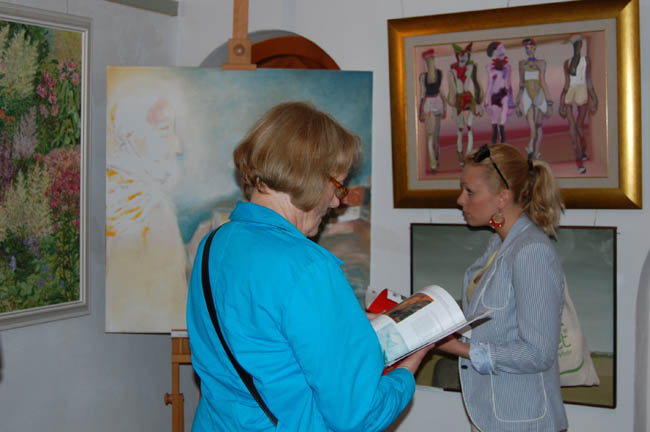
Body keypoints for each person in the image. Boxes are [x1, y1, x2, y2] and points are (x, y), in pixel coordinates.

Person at [186, 101, 431, 431]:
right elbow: (358, 416)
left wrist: (349, 323)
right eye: (337, 186)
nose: (336, 201)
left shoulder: (213, 245)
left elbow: (261, 336)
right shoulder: (308, 266)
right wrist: (408, 369)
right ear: (311, 177)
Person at [437, 143, 568, 431]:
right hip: (495, 418)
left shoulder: (531, 251)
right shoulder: (499, 244)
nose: (460, 200)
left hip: (524, 423)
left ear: (502, 197)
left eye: (470, 191)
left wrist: (457, 348)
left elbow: (538, 353)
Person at [558, 34, 598, 174]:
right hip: (571, 90)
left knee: (579, 126)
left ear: (581, 46)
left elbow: (588, 81)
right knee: (572, 128)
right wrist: (561, 104)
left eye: (578, 44)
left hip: (582, 90)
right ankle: (579, 161)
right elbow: (566, 84)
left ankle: (583, 150)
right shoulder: (567, 63)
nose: (577, 47)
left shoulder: (586, 61)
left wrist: (594, 98)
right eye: (574, 45)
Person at [514, 38, 553, 160]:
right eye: (526, 48)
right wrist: (516, 103)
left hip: (539, 94)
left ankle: (535, 151)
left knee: (538, 126)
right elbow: (521, 84)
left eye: (531, 47)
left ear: (535, 48)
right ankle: (531, 148)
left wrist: (549, 102)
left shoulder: (541, 63)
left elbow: (543, 82)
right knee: (532, 128)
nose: (528, 50)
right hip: (527, 95)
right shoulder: (522, 64)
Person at [447, 42, 482, 166]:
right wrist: (453, 108)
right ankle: (460, 154)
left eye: (466, 55)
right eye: (460, 55)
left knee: (470, 127)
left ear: (468, 56)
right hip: (458, 100)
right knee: (460, 129)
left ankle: (469, 154)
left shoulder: (471, 68)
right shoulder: (452, 71)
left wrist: (478, 103)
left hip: (468, 98)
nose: (463, 57)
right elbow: (451, 90)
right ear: (457, 56)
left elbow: (477, 84)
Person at [418, 48, 446, 171]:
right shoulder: (424, 76)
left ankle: (435, 161)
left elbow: (440, 91)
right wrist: (421, 111)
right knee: (433, 135)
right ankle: (434, 161)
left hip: (434, 102)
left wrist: (444, 106)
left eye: (430, 59)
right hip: (430, 104)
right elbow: (423, 95)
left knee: (434, 136)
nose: (430, 62)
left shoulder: (437, 73)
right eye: (429, 60)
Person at [483, 41, 513, 144]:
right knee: (494, 118)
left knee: (503, 115)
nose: (503, 50)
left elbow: (508, 84)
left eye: (503, 47)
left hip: (503, 93)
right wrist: (486, 101)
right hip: (494, 95)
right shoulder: (490, 67)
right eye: (500, 48)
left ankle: (503, 137)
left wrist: (511, 103)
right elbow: (489, 84)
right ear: (495, 52)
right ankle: (495, 138)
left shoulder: (508, 66)